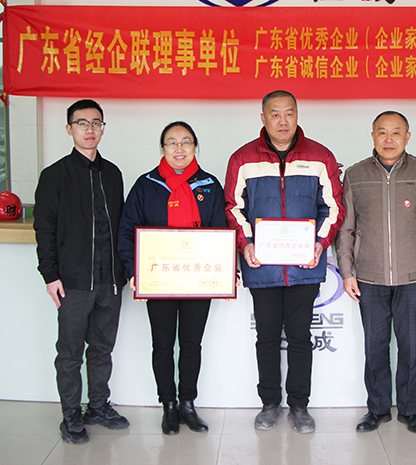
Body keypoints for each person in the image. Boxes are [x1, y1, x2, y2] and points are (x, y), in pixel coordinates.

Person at [224, 90, 345, 434]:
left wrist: (320, 243)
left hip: (304, 267)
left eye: (289, 113)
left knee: (300, 338)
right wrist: (246, 243)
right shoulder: (243, 159)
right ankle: (269, 403)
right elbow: (233, 207)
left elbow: (333, 207)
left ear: (297, 115)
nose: (282, 121)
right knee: (266, 338)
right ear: (263, 118)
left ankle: (300, 406)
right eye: (274, 114)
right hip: (261, 266)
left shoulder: (320, 157)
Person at [336, 111, 416, 435]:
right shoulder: (356, 175)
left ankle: (411, 411)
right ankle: (378, 409)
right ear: (372, 136)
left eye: (396, 132)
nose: (389, 139)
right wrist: (347, 271)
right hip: (369, 278)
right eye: (382, 132)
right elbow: (346, 228)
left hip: (414, 278)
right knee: (375, 347)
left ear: (407, 136)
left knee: (411, 348)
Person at [118, 121, 227, 436]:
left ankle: (188, 404)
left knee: (192, 344)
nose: (179, 148)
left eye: (186, 142)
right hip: (159, 279)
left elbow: (221, 231)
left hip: (199, 280)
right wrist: (134, 270)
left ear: (195, 147)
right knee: (163, 344)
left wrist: (225, 271)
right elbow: (127, 230)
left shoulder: (209, 185)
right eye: (172, 142)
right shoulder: (146, 185)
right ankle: (168, 404)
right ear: (162, 148)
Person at [34, 99, 129, 445]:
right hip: (73, 282)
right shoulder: (55, 175)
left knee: (102, 348)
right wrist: (50, 275)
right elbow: (44, 229)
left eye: (96, 123)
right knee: (70, 352)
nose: (90, 129)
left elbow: (121, 226)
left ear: (103, 128)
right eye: (82, 123)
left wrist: (124, 272)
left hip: (110, 281)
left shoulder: (113, 174)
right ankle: (71, 413)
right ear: (69, 128)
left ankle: (98, 405)